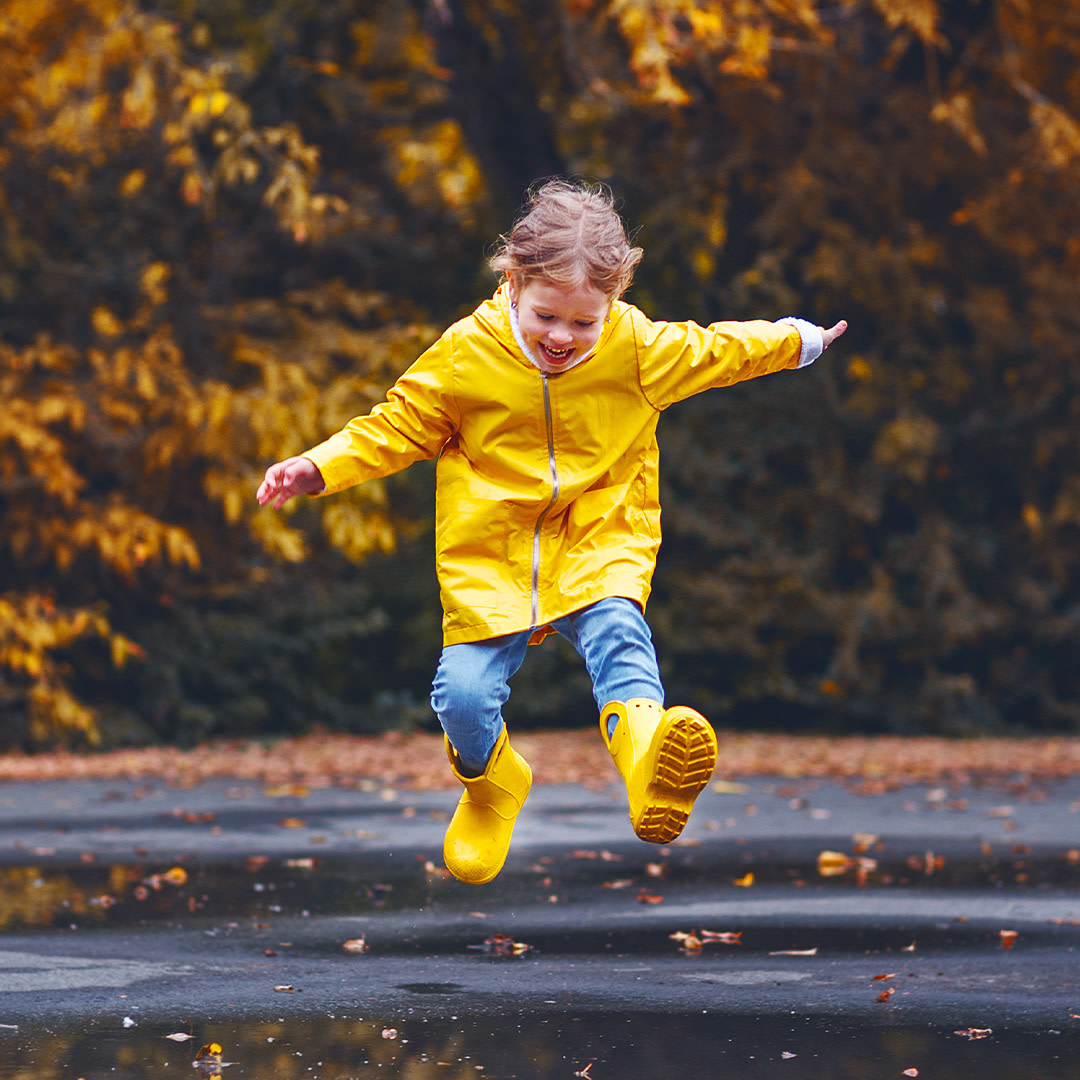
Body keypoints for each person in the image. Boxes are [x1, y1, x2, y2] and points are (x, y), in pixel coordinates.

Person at [257, 178, 847, 885]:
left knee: (620, 637)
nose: (564, 337)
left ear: (614, 304)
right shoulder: (464, 356)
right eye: (547, 317)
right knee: (462, 699)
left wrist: (802, 340)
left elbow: (718, 351)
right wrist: (317, 468)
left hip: (601, 535)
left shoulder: (634, 347)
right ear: (512, 283)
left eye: (584, 322)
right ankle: (492, 784)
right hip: (491, 553)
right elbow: (395, 426)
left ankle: (647, 769)